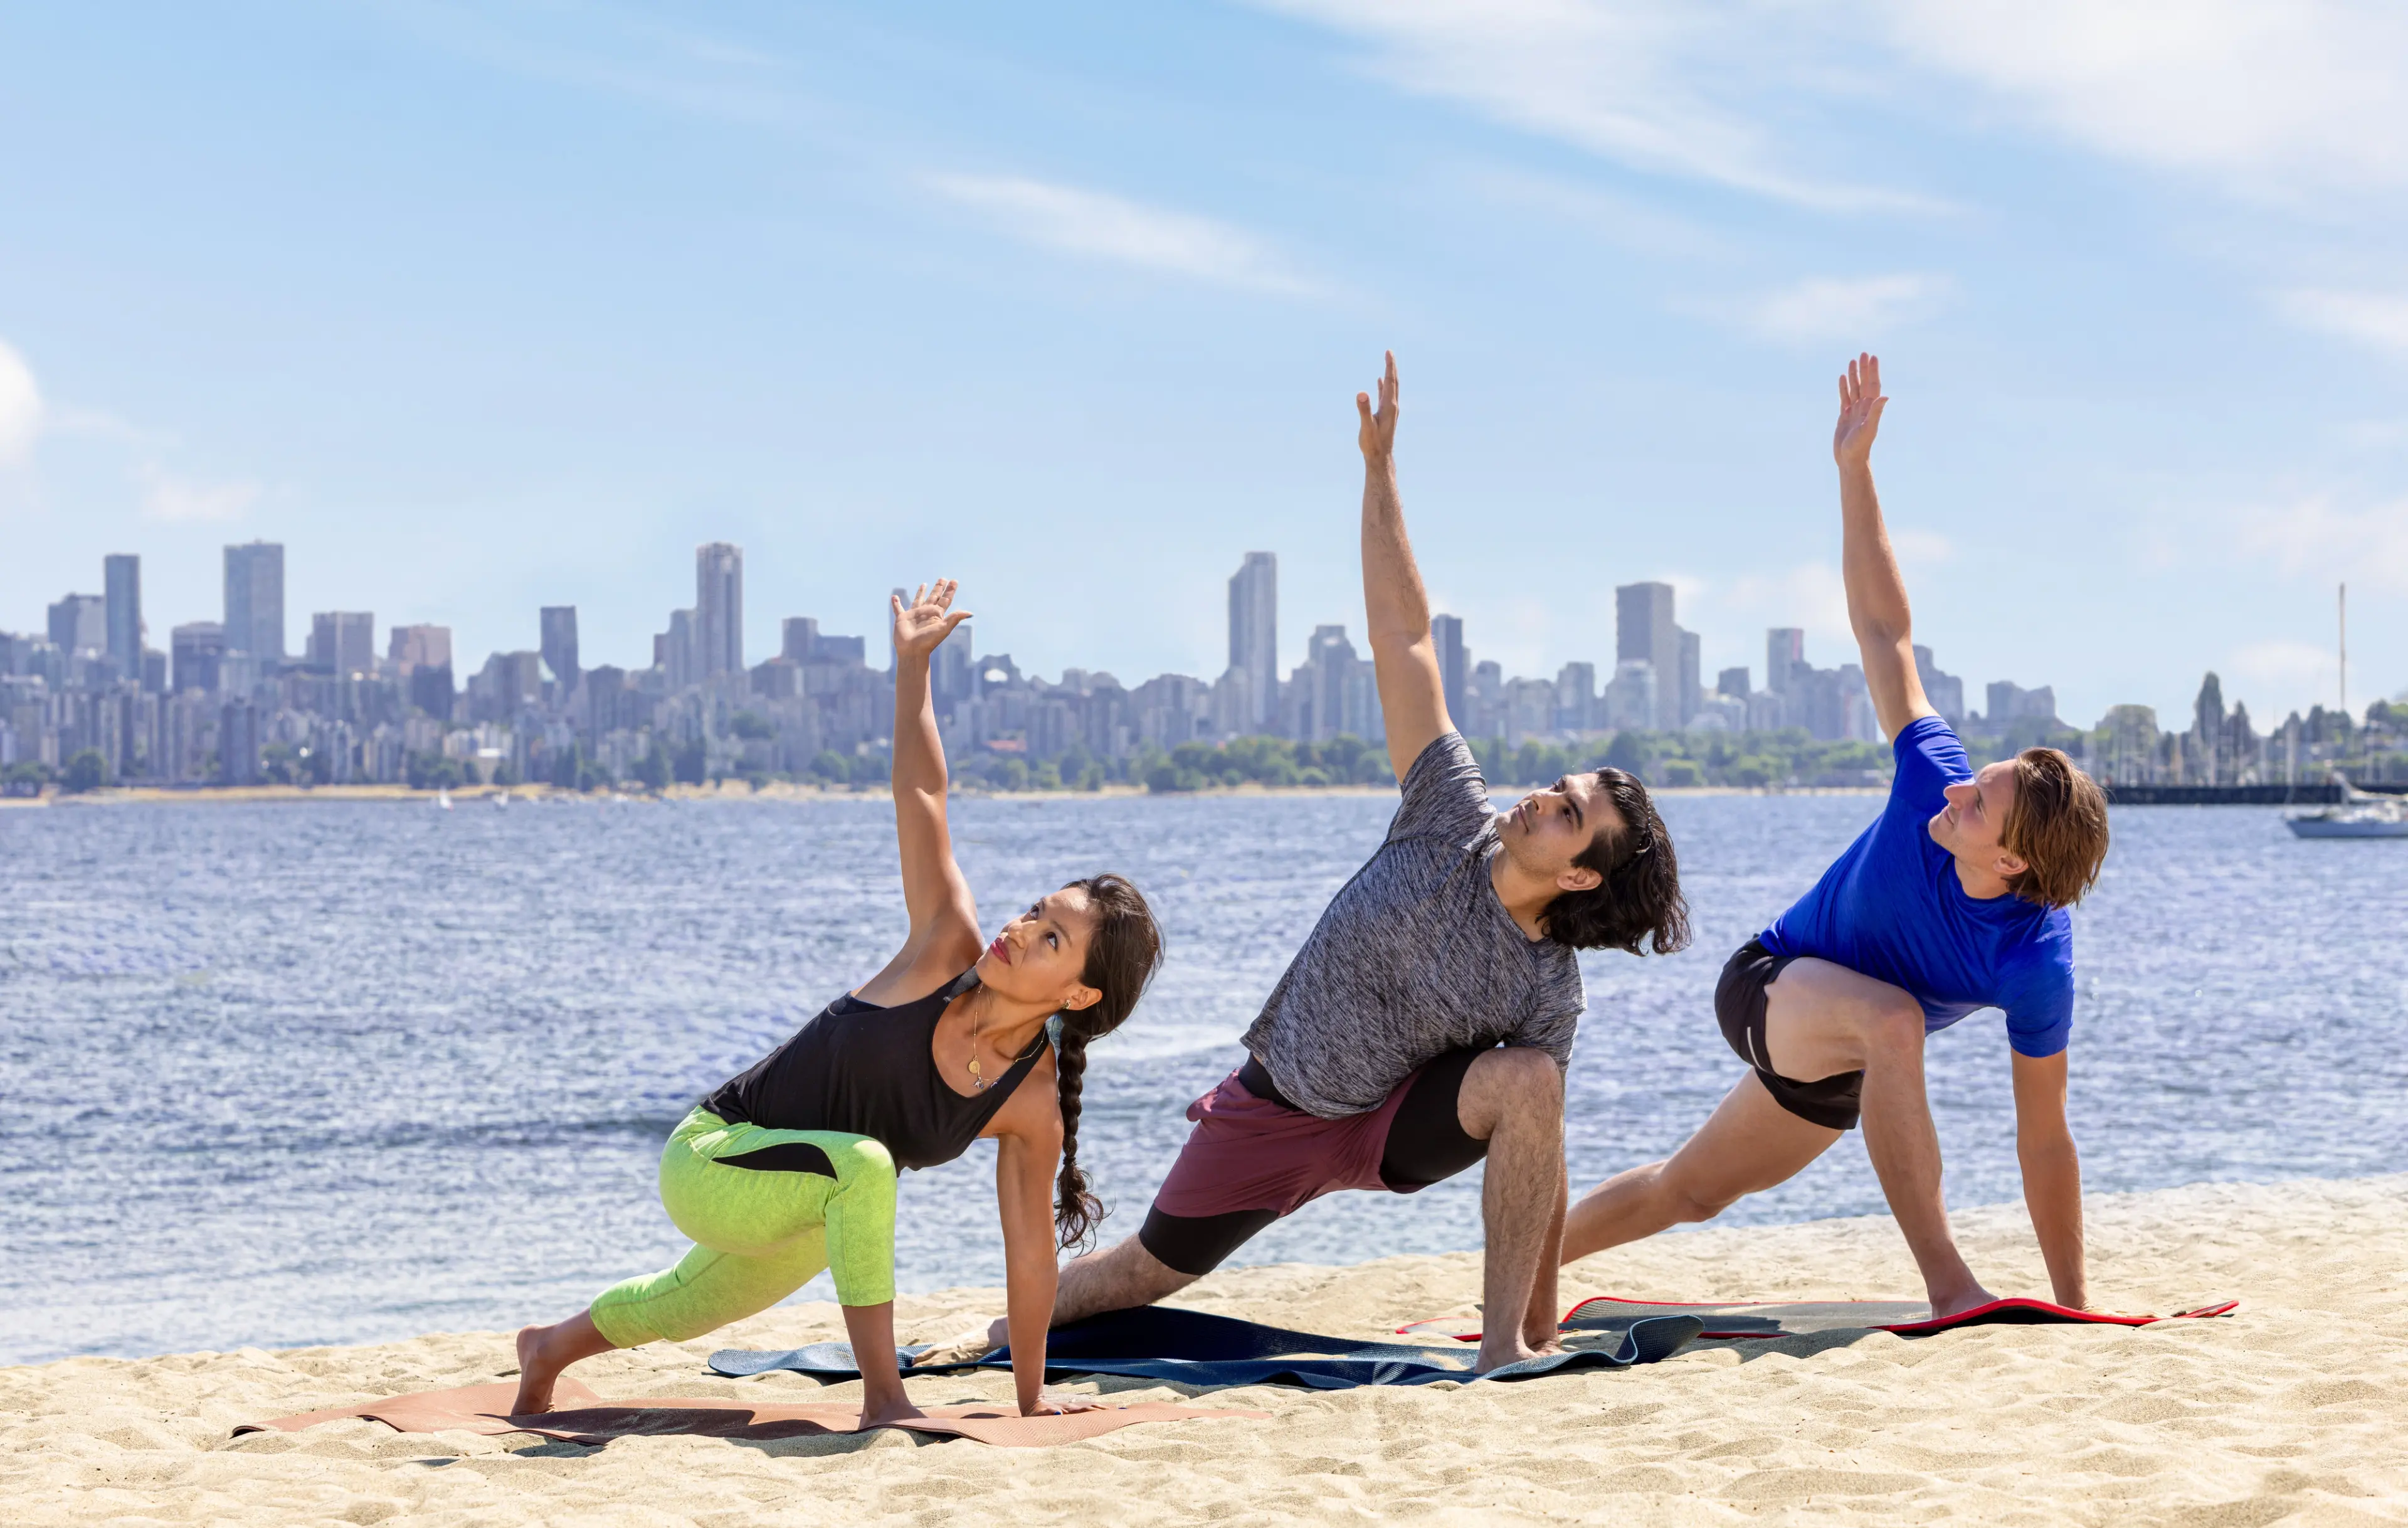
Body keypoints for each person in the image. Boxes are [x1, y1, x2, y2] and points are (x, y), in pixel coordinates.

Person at [952, 353, 1691, 1374]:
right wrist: (1379, 472)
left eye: (1566, 813)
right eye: (1555, 787)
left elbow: (1542, 1151)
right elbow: (1407, 639)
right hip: (1275, 1105)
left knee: (1530, 1084)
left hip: (1388, 1132)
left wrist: (1542, 1320)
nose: (1538, 799)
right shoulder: (1448, 816)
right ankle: (1001, 1329)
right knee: (1140, 1278)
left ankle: (1503, 1353)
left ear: (1580, 876)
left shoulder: (1545, 987)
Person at [510, 579, 1164, 1425]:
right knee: (866, 1163)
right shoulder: (944, 947)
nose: (1019, 927)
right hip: (715, 1156)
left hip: (815, 1209)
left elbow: (1031, 1255)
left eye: (1050, 938)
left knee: (682, 1306)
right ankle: (884, 1400)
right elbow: (923, 797)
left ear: (1078, 992)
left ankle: (547, 1349)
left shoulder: (1032, 1101)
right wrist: (913, 673)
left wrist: (1032, 1400)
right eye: (1034, 910)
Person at [1561, 354, 2112, 1318]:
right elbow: (1886, 635)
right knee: (1894, 1018)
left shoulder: (2038, 963)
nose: (1956, 797)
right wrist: (1854, 471)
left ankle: (1522, 1259)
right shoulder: (1927, 782)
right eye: (1974, 780)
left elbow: (2044, 1136)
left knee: (1688, 1191)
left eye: (1980, 806)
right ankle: (1949, 1285)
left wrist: (2076, 1305)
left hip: (1849, 1061)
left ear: (2014, 862)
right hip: (1771, 983)